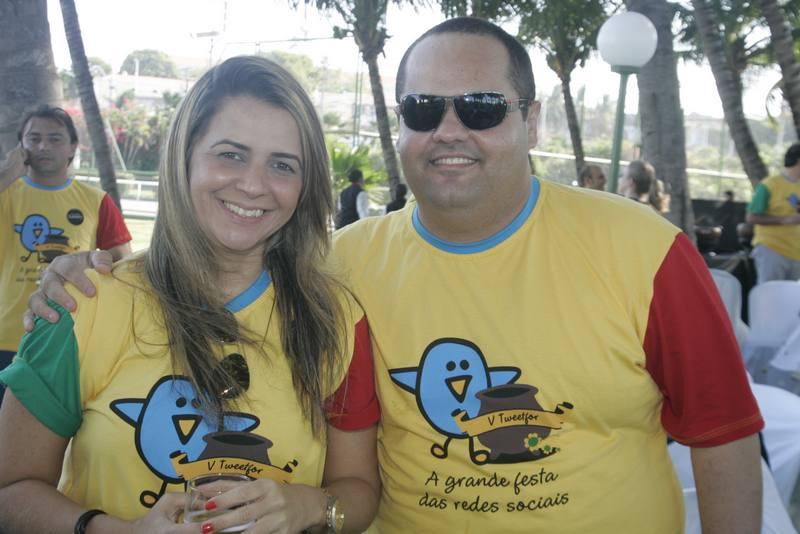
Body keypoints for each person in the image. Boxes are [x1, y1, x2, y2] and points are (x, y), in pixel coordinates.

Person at [26, 19, 763, 533]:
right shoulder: (340, 267)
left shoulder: (645, 250)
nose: (450, 129)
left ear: (532, 121)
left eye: (481, 108)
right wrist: (85, 270)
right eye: (423, 107)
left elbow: (724, 435)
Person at [0, 56, 379, 534]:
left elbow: (359, 488)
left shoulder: (336, 318)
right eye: (231, 155)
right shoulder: (83, 303)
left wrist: (309, 506)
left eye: (282, 165)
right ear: (185, 156)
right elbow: (11, 490)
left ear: (306, 186)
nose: (253, 185)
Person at [0, 105, 132, 402]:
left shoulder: (96, 200)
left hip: (67, 337)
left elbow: (124, 261)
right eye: (34, 138)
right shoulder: (5, 192)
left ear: (73, 146)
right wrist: (9, 170)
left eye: (55, 138)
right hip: (5, 337)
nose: (43, 146)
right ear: (20, 145)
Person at [746, 142, 800, 284]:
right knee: (769, 292)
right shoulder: (770, 184)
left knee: (790, 296)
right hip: (772, 248)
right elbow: (751, 217)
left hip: (796, 252)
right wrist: (784, 220)